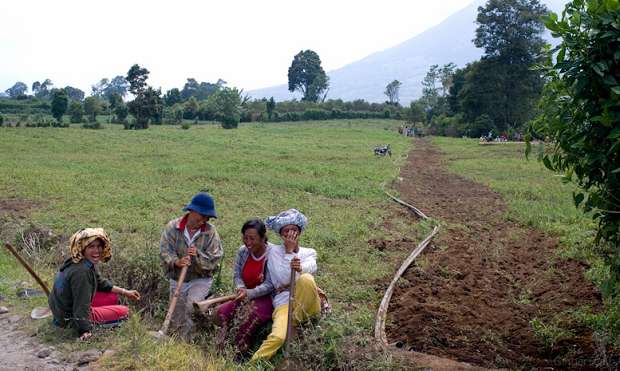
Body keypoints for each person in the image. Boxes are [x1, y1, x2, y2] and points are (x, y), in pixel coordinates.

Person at [251, 209, 321, 361]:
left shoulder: (309, 253)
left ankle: (294, 322)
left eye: (294, 230)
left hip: (307, 303)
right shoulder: (274, 252)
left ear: (300, 232)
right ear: (281, 235)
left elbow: (310, 268)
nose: (290, 235)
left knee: (306, 279)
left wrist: (299, 267)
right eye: (286, 231)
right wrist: (289, 252)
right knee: (277, 337)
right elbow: (282, 279)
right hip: (284, 303)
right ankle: (253, 363)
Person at [48, 228, 141, 340]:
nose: (97, 250)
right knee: (126, 312)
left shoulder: (79, 262)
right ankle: (80, 326)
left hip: (62, 311)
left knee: (113, 297)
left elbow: (101, 283)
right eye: (91, 247)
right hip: (69, 319)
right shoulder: (82, 273)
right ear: (82, 248)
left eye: (99, 246)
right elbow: (81, 305)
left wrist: (125, 292)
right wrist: (84, 330)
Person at [159, 192, 224, 339]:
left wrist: (198, 256)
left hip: (200, 279)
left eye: (207, 218)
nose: (204, 221)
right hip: (178, 278)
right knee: (176, 318)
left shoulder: (210, 232)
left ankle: (189, 343)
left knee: (191, 308)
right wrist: (176, 261)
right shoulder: (172, 228)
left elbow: (216, 259)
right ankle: (175, 343)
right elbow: (164, 252)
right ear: (192, 211)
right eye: (202, 216)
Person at [215, 219, 274, 355]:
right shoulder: (243, 251)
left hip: (266, 298)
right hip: (245, 293)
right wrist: (241, 288)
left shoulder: (272, 254)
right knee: (222, 312)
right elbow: (237, 275)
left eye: (252, 239)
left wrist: (249, 293)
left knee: (248, 315)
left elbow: (270, 285)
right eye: (245, 238)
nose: (248, 242)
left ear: (263, 238)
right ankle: (222, 345)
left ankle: (240, 353)